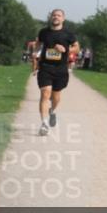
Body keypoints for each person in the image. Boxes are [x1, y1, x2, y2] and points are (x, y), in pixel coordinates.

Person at [32, 8, 79, 136]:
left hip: (60, 69)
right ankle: (44, 124)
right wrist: (35, 52)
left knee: (56, 97)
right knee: (45, 94)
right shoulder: (44, 32)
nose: (56, 17)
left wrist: (66, 49)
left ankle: (52, 111)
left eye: (58, 15)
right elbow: (38, 43)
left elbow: (77, 48)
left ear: (63, 18)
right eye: (54, 15)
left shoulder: (68, 34)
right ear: (51, 17)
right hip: (45, 67)